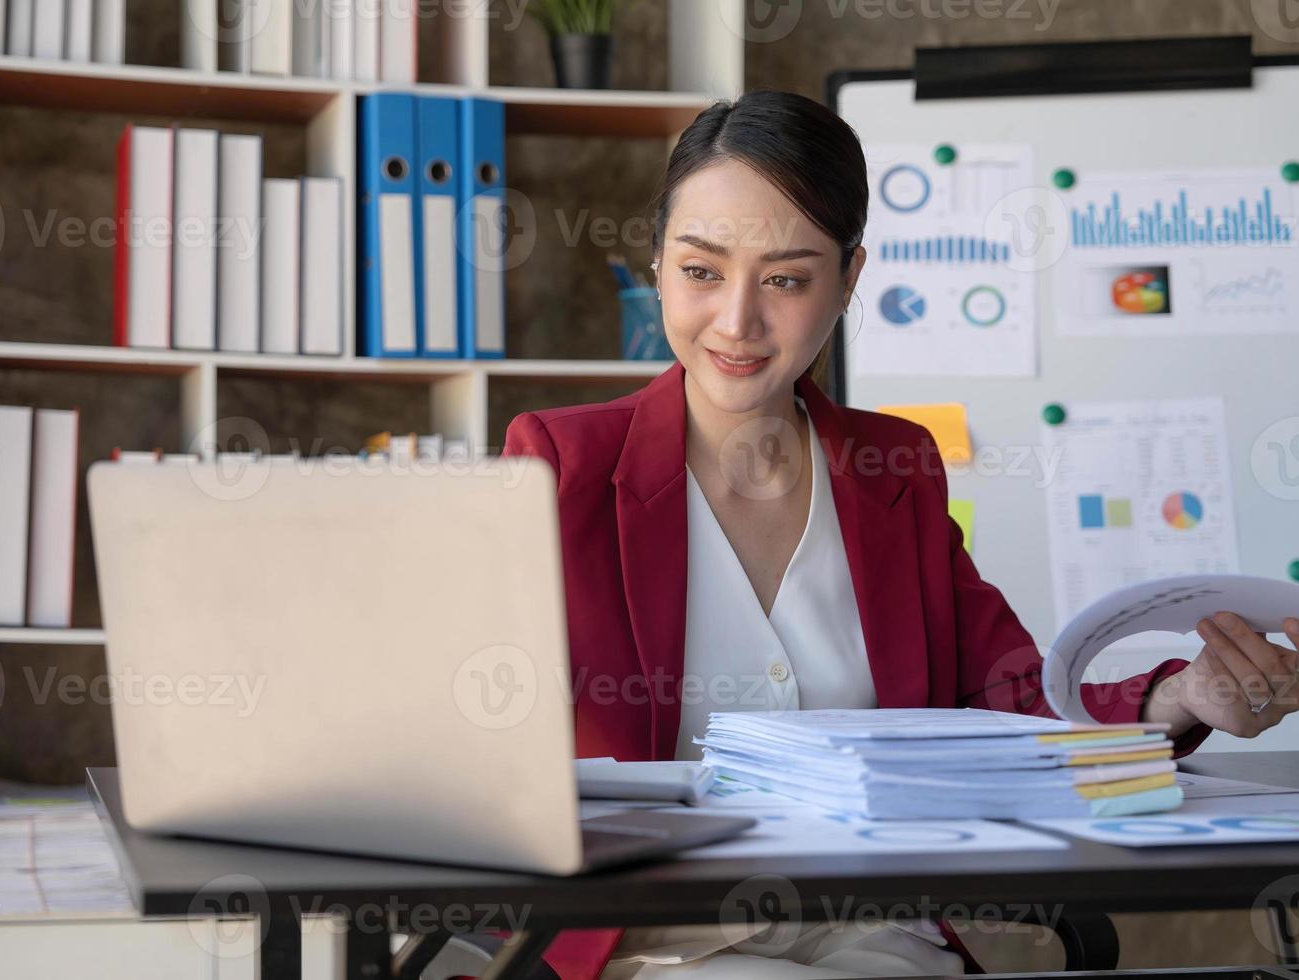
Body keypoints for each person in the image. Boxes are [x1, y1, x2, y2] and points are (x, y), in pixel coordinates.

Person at [501, 89, 1299, 979]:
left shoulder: (894, 467)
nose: (736, 321)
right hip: (658, 939)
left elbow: (1013, 701)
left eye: (787, 279)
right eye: (701, 271)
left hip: (871, 926)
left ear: (849, 279)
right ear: (657, 264)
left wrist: (1181, 698)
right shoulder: (562, 464)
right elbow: (470, 724)